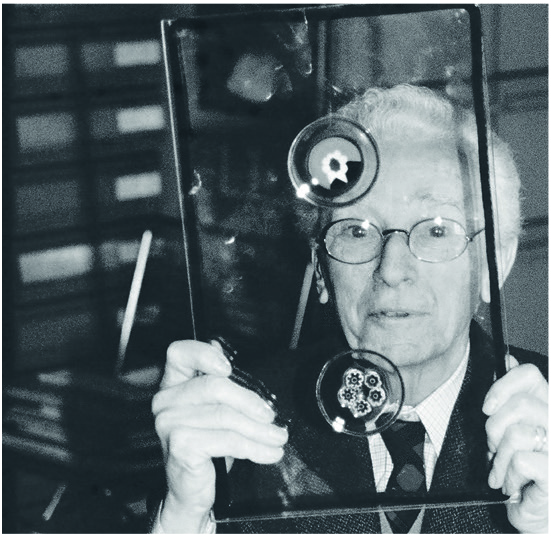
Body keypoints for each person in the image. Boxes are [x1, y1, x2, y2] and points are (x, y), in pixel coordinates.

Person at [151, 85, 548, 533]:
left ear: (495, 262)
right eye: (356, 231)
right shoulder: (242, 427)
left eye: (436, 230)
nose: (392, 269)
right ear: (321, 268)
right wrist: (183, 518)